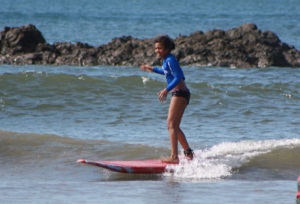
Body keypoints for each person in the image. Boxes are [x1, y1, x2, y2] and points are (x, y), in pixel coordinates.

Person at [140, 35, 193, 164]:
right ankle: (188, 153)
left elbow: (179, 77)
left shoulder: (170, 59)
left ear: (167, 48)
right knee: (174, 126)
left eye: (160, 48)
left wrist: (166, 89)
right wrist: (152, 68)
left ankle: (174, 157)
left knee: (170, 125)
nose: (157, 50)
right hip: (181, 93)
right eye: (156, 48)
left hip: (180, 93)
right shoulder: (166, 60)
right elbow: (166, 72)